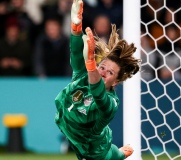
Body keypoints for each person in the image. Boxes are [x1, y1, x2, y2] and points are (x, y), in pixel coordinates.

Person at [54, 0, 141, 159]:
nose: (103, 72)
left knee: (112, 156)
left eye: (110, 72)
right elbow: (76, 54)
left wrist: (92, 64)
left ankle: (121, 153)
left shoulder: (111, 103)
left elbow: (98, 92)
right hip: (68, 125)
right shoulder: (83, 76)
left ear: (115, 82)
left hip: (93, 148)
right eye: (102, 67)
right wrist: (76, 28)